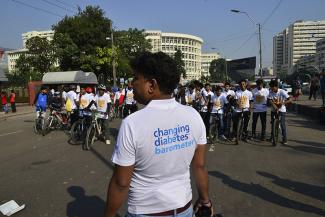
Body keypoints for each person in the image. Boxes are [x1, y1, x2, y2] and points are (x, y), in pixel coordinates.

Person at [105, 52, 212, 217]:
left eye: (135, 78)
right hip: (184, 209)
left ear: (151, 85)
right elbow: (199, 166)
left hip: (145, 212)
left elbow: (121, 183)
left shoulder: (132, 123)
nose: (132, 84)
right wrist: (205, 200)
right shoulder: (193, 115)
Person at [268, 80, 292, 145]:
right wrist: (273, 105)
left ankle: (285, 139)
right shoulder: (270, 92)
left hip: (282, 110)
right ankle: (272, 137)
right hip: (274, 110)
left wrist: (283, 103)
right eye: (271, 87)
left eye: (273, 87)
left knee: (282, 124)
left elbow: (290, 99)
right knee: (273, 123)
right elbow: (269, 100)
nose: (272, 89)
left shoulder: (282, 91)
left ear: (276, 86)